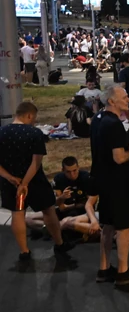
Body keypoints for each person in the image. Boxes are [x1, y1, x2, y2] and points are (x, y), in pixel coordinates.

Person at [0, 102, 72, 263]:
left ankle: (24, 251)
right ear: (29, 115)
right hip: (34, 181)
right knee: (48, 210)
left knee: (17, 214)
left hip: (10, 182)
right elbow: (36, 162)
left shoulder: (1, 132)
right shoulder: (34, 133)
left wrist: (10, 178)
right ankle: (59, 243)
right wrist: (25, 183)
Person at [90, 86, 129, 285]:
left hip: (102, 180)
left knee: (107, 225)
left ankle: (104, 269)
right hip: (119, 183)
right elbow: (119, 157)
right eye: (124, 97)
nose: (128, 99)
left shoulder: (98, 119)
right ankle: (123, 272)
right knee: (124, 227)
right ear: (112, 102)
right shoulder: (113, 124)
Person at [29, 156, 99, 237]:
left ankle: (51, 231)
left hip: (83, 212)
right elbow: (60, 206)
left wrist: (71, 206)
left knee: (66, 221)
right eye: (68, 172)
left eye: (74, 171)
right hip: (66, 210)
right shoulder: (59, 179)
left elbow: (89, 204)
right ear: (63, 170)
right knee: (29, 220)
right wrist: (62, 197)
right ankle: (55, 230)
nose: (72, 174)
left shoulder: (87, 178)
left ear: (78, 168)